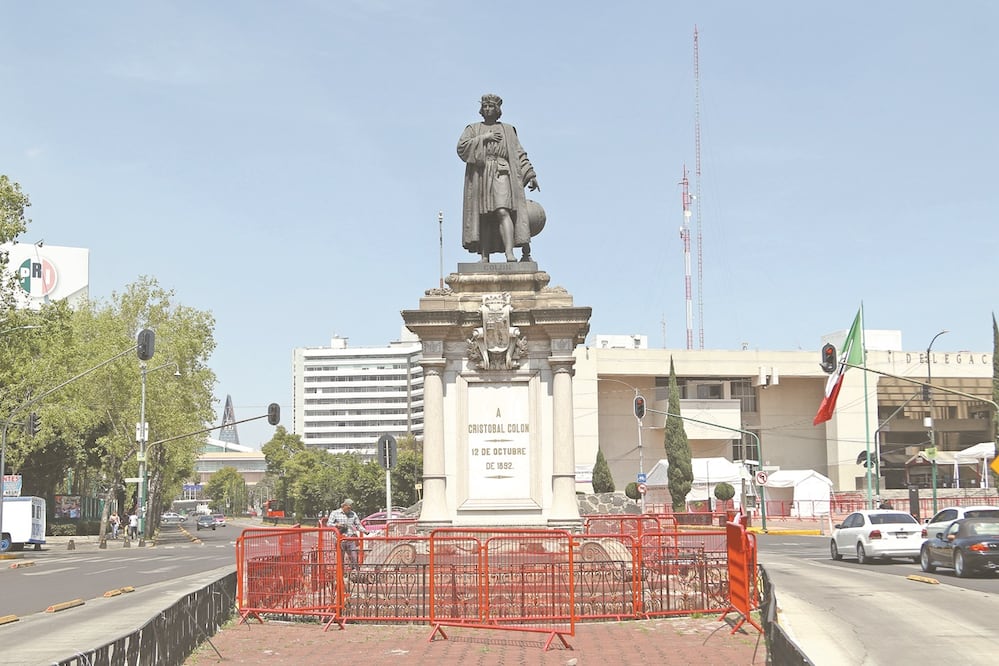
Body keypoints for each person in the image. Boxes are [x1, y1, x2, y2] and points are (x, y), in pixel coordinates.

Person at [457, 93, 540, 263]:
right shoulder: (472, 129)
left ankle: (509, 253)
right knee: (485, 216)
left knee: (503, 210)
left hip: (502, 172)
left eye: (491, 106)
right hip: (481, 173)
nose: (488, 109)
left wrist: (530, 173)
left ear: (497, 109)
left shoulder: (508, 130)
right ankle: (484, 257)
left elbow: (519, 153)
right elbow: (462, 148)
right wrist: (484, 138)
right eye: (485, 106)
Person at [327, 498, 368, 570]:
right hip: (340, 539)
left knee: (354, 557)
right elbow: (329, 524)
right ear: (344, 506)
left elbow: (358, 525)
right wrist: (337, 525)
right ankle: (341, 576)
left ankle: (355, 573)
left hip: (350, 538)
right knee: (341, 559)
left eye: (350, 508)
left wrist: (365, 531)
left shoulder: (353, 514)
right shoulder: (335, 513)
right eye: (348, 507)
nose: (349, 509)